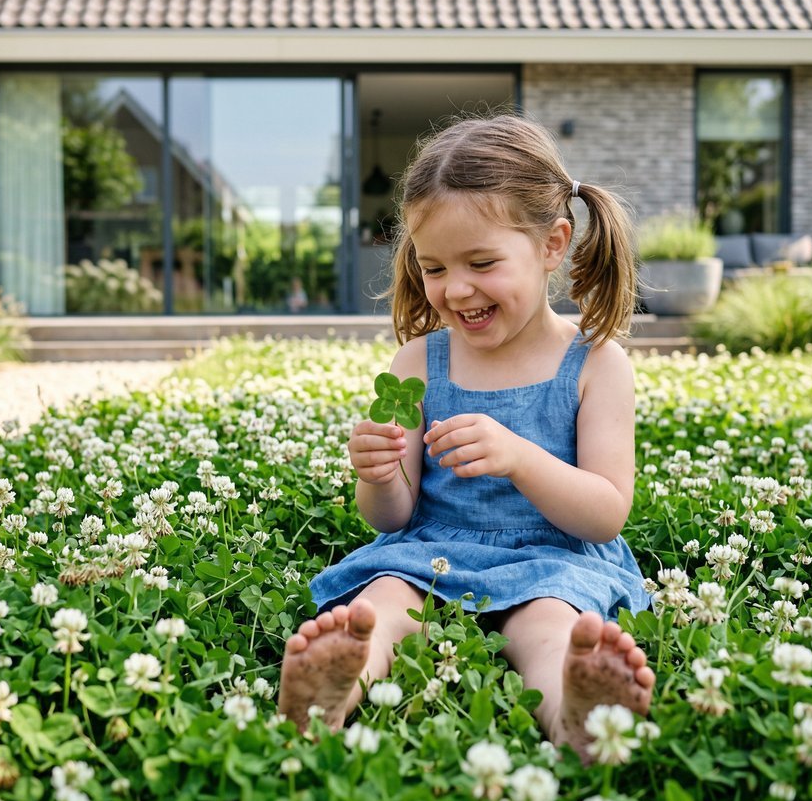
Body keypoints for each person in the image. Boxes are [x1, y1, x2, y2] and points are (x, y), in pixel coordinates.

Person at [277, 114, 655, 763]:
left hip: (552, 560)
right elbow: (392, 516)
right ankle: (335, 689)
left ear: (553, 244)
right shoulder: (418, 363)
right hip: (432, 552)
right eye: (434, 267)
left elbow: (604, 513)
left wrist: (521, 459)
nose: (456, 289)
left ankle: (578, 716)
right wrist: (377, 474)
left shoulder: (594, 365)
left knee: (548, 629)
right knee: (385, 602)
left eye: (482, 262)